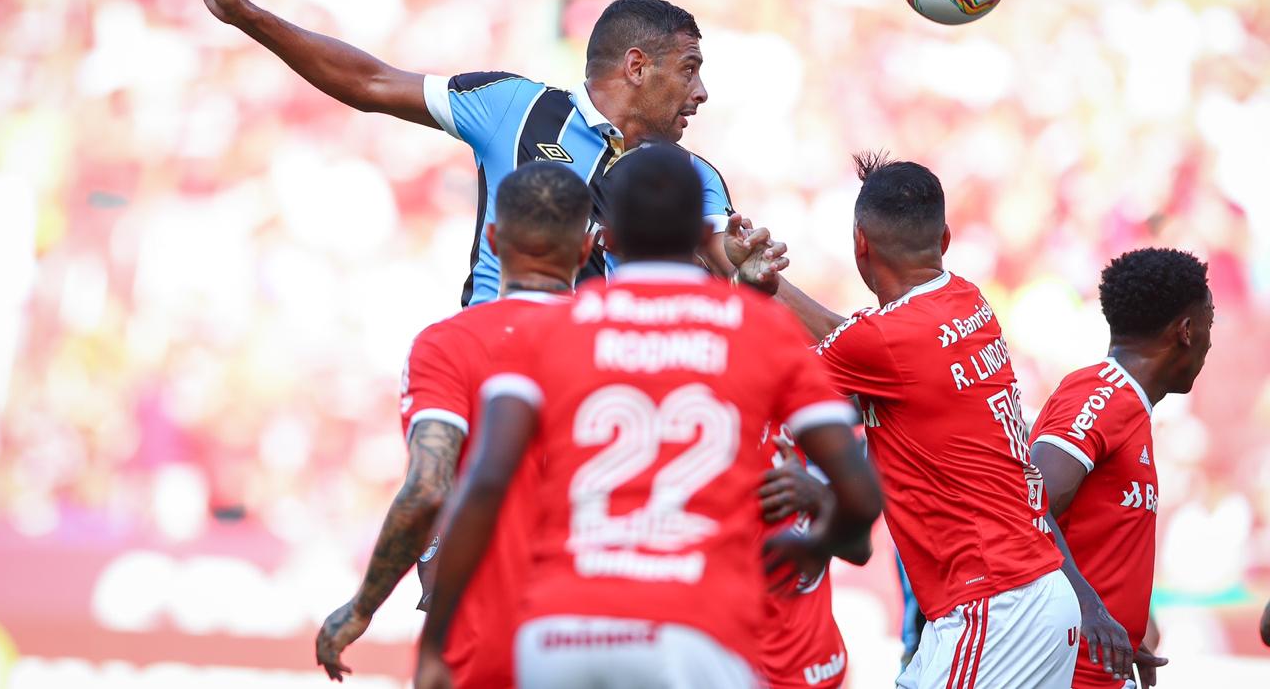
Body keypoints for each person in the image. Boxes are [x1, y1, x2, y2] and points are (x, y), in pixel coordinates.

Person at [414, 145, 884, 689]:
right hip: (692, 633)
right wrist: (818, 542)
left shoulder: (550, 334)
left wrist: (437, 642)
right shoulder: (759, 331)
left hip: (562, 632)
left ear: (605, 238)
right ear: (699, 235)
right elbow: (861, 494)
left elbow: (487, 481)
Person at [174, 0, 736, 306]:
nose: (701, 93)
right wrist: (248, 15)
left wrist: (747, 274)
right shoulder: (511, 107)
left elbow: (739, 286)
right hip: (489, 367)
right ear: (636, 66)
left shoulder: (696, 180)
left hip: (594, 407)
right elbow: (369, 83)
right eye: (689, 71)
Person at [764, 153, 1132, 689]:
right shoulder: (964, 299)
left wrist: (734, 275)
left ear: (859, 244)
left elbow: (789, 374)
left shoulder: (886, 340)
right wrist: (771, 282)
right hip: (1029, 593)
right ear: (945, 240)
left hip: (994, 606)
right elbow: (853, 344)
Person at [313, 160, 595, 686]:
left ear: (492, 238)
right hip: (620, 634)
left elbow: (426, 489)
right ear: (584, 248)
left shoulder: (449, 346)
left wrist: (362, 607)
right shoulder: (625, 345)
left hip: (490, 637)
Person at [1030, 248, 1213, 689]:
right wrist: (1090, 608)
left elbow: (1094, 531)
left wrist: (1130, 623)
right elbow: (1027, 498)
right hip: (1066, 672)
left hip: (1102, 669)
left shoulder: (1129, 405)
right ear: (1187, 331)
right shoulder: (1102, 395)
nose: (1211, 339)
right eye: (1210, 322)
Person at [755, 428, 863, 689]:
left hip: (823, 665)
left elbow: (860, 550)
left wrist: (819, 496)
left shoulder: (796, 418)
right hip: (757, 671)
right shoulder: (715, 440)